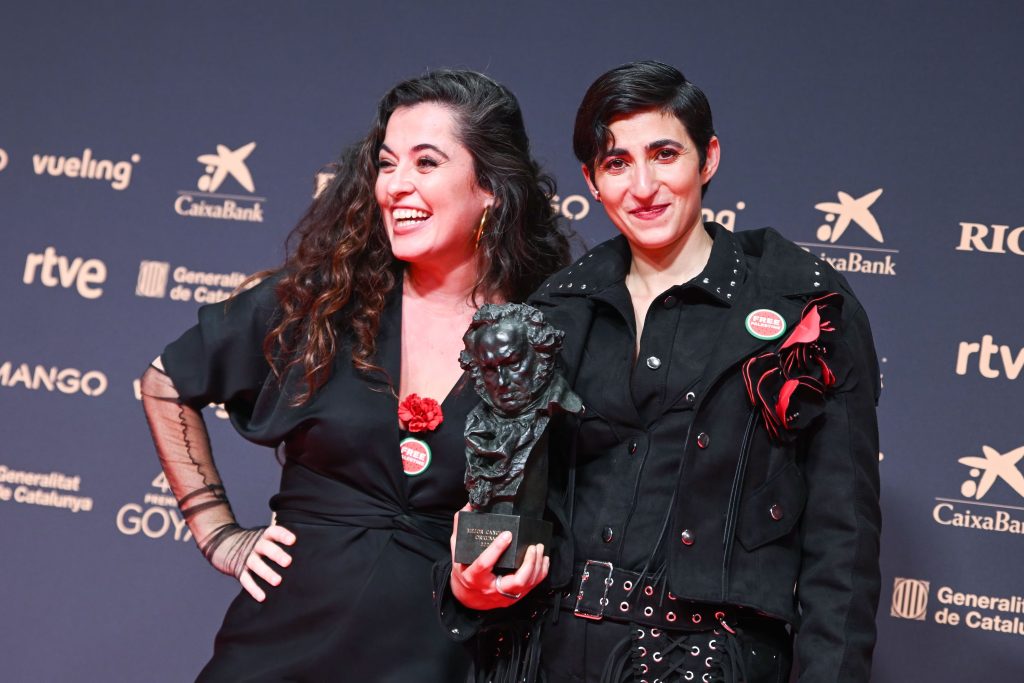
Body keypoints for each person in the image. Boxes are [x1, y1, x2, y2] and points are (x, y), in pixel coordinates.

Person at [441, 61, 881, 682]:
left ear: (708, 159)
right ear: (593, 181)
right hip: (550, 654)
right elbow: (497, 494)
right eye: (617, 163)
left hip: (712, 663)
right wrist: (471, 580)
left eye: (664, 154)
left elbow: (844, 543)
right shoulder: (557, 308)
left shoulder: (801, 305)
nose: (643, 186)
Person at [140, 69, 571, 682]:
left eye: (426, 163)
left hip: (434, 656)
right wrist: (219, 534)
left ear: (491, 188)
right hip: (277, 648)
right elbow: (165, 381)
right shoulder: (324, 303)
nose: (396, 185)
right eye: (387, 164)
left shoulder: (539, 335)